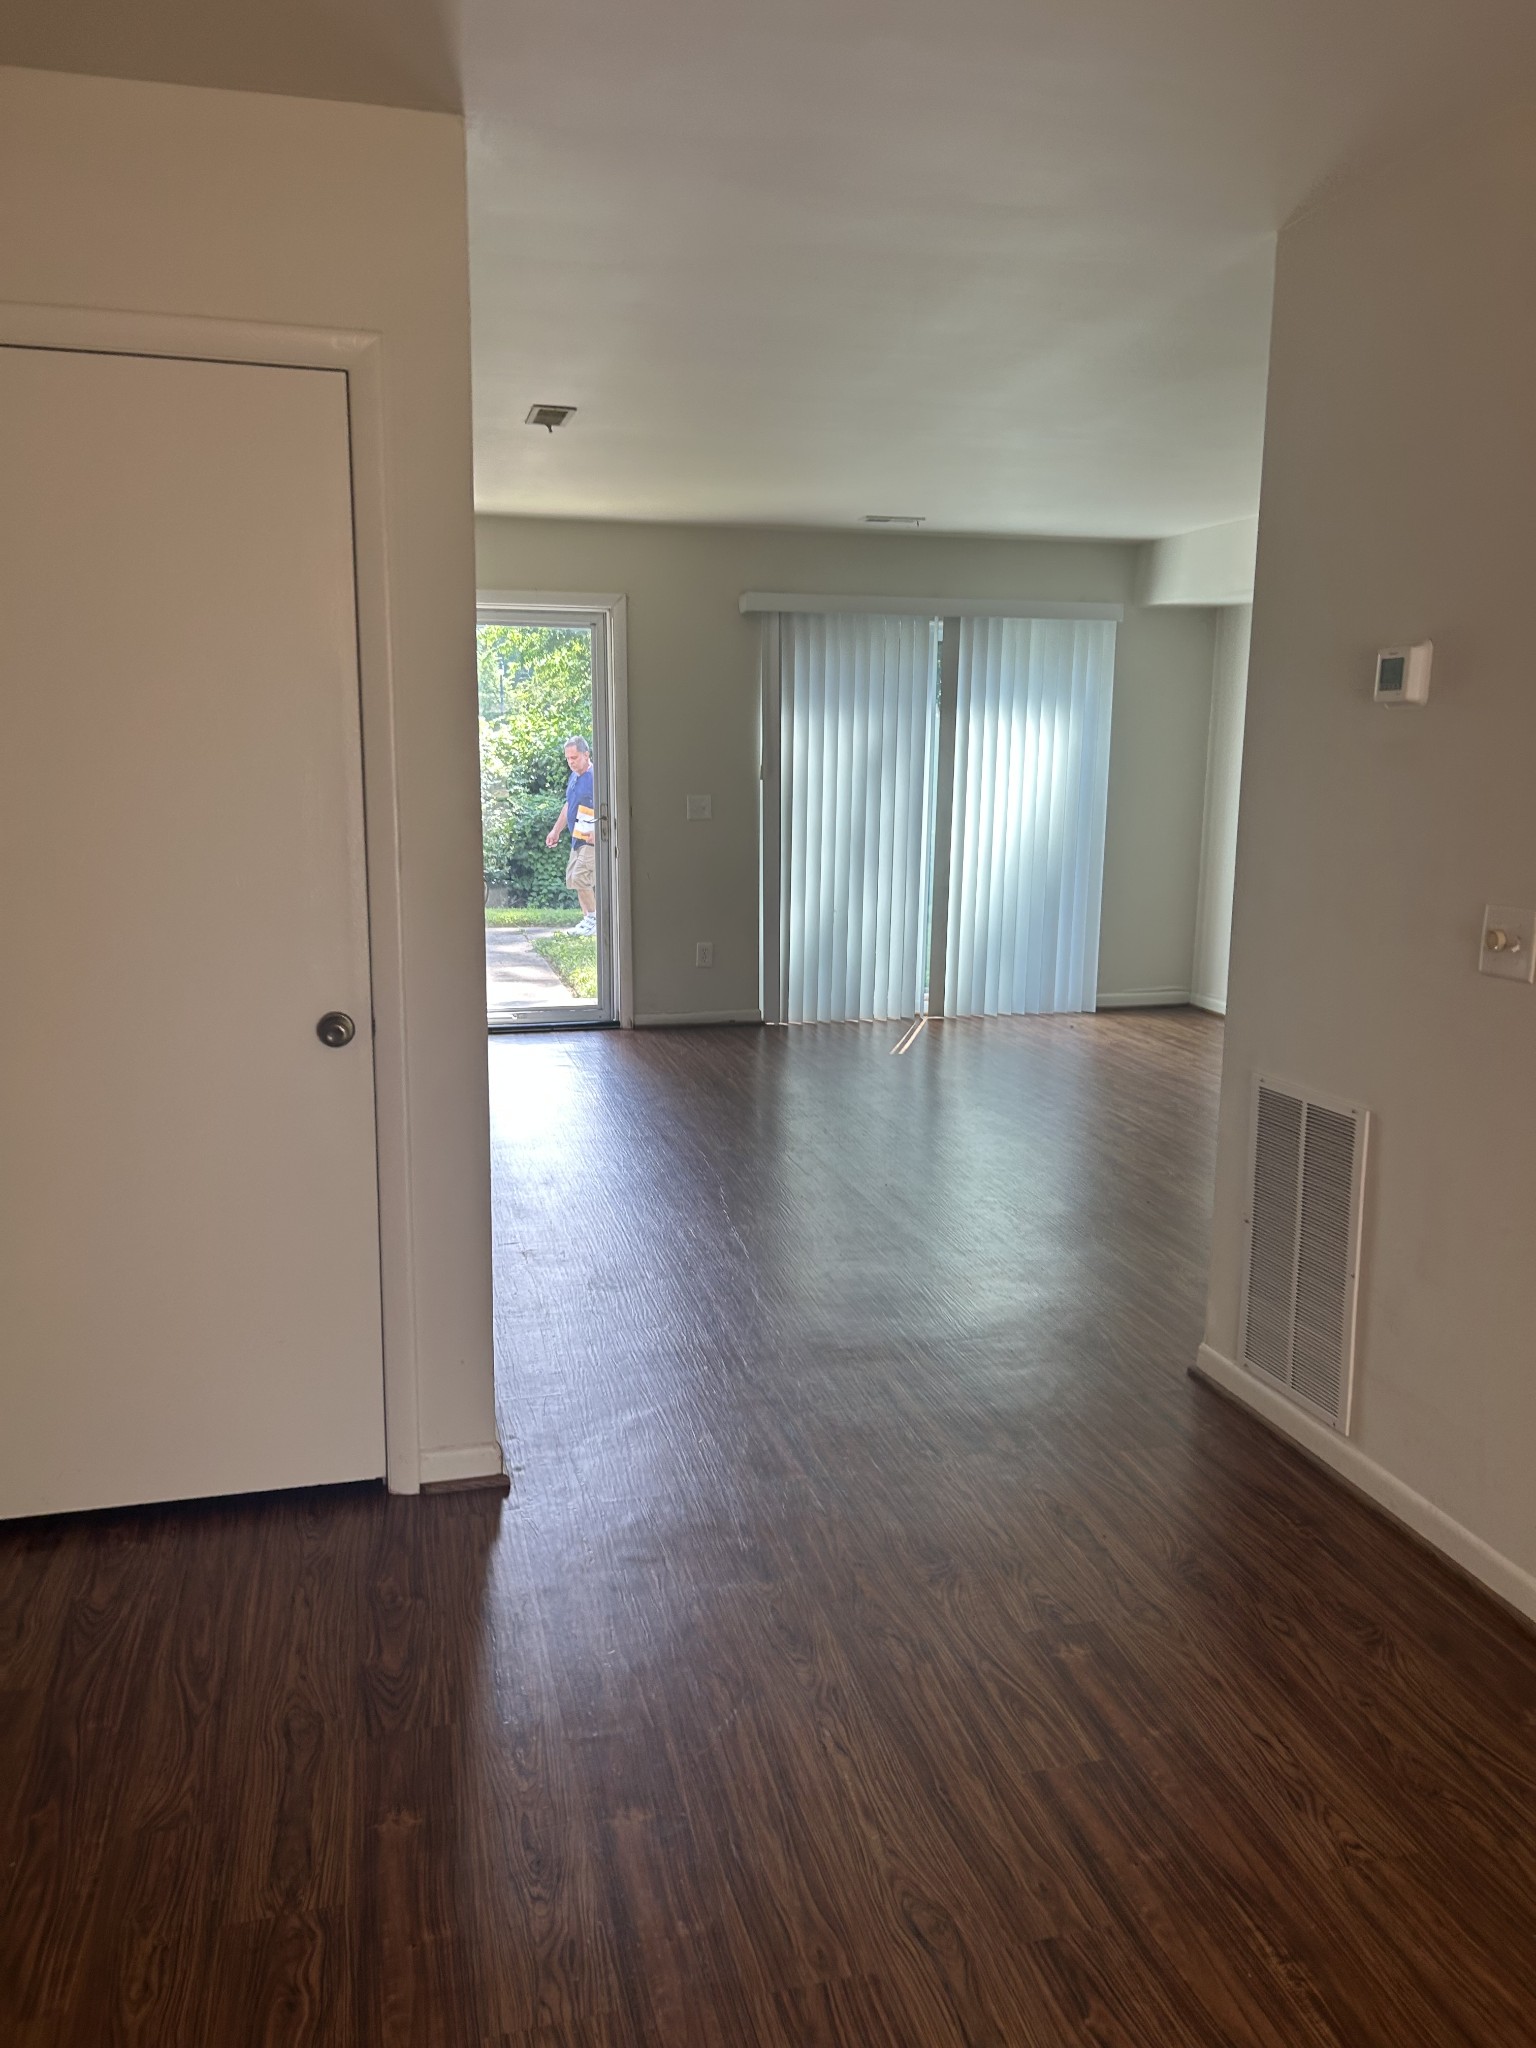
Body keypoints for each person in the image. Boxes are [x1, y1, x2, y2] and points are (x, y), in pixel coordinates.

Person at [546, 735, 598, 935]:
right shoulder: (574, 777)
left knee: (580, 876)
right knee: (574, 878)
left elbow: (608, 805)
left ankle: (595, 920)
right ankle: (588, 920)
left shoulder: (595, 777)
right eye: (568, 758)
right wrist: (556, 830)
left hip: (591, 838)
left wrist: (596, 830)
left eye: (574, 757)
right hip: (577, 837)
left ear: (586, 754)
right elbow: (569, 805)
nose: (571, 762)